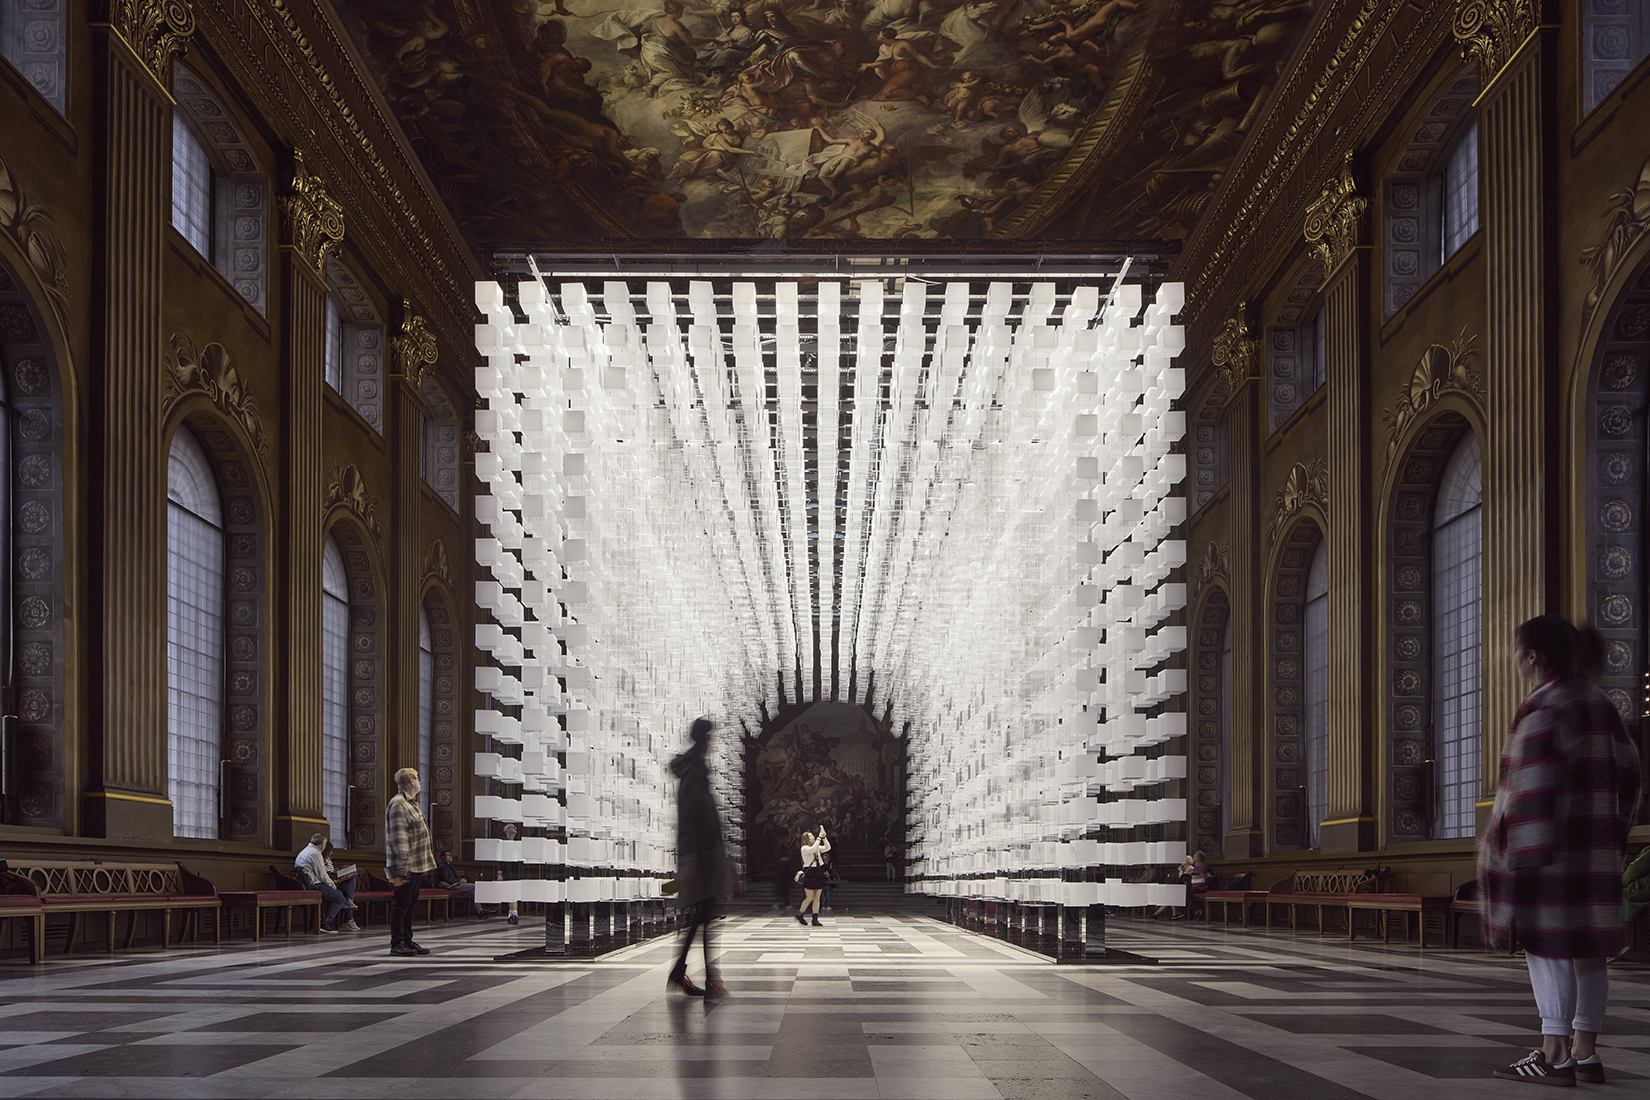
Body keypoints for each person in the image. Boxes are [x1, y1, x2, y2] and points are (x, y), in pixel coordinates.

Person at [1481, 616, 1642, 1086]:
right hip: (1595, 854)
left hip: (1547, 856)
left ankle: (1553, 1055)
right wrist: (1613, 838)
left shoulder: (1543, 705)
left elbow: (1526, 788)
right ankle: (1586, 1052)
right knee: (1589, 953)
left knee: (1546, 948)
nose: (1514, 659)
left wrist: (1517, 859)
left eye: (1517, 651)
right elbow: (1631, 778)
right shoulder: (1600, 704)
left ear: (1533, 656)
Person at [668, 717, 730, 999]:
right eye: (711, 739)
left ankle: (681, 971)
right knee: (703, 915)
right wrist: (691, 858)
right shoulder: (694, 772)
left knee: (702, 916)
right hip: (701, 858)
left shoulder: (695, 770)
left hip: (704, 856)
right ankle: (708, 979)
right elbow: (693, 818)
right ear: (704, 740)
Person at [385, 767, 437, 958]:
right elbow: (399, 837)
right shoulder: (399, 804)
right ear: (411, 781)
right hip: (402, 866)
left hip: (414, 864)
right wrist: (404, 862)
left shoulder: (411, 803)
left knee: (410, 902)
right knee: (401, 902)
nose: (420, 782)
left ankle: (407, 939)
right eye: (418, 778)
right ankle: (397, 942)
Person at [293, 834, 355, 933]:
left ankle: (346, 908)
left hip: (307, 883)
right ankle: (325, 923)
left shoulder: (306, 850)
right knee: (340, 898)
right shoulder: (315, 853)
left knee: (340, 893)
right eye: (325, 844)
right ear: (322, 844)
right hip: (314, 885)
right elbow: (322, 875)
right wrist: (332, 885)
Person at [434, 848, 494, 919]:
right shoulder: (443, 867)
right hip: (451, 886)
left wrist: (460, 880)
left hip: (456, 884)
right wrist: (459, 881)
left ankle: (480, 912)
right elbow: (446, 879)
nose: (450, 856)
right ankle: (487, 905)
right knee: (477, 886)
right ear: (443, 857)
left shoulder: (450, 866)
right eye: (448, 855)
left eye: (450, 855)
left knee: (474, 893)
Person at [797, 825, 829, 926]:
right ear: (806, 838)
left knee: (817, 897)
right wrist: (819, 837)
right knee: (809, 897)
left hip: (818, 872)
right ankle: (800, 914)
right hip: (810, 872)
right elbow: (813, 849)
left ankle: (815, 918)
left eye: (812, 836)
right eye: (810, 836)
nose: (813, 837)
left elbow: (828, 847)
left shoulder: (817, 846)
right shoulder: (804, 848)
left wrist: (824, 837)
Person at [497, 823, 522, 925]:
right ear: (506, 830)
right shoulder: (503, 843)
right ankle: (513, 914)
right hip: (507, 871)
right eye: (511, 827)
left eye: (515, 828)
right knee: (511, 893)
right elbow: (499, 860)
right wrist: (500, 874)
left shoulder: (519, 843)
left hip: (517, 870)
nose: (514, 829)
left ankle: (512, 914)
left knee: (514, 893)